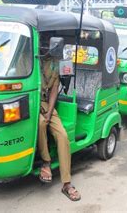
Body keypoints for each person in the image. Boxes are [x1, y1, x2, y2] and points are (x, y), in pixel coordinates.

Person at [37, 32, 81, 201]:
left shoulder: (57, 63)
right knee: (40, 124)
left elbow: (55, 89)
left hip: (48, 104)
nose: (46, 47)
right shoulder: (31, 59)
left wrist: (49, 112)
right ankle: (46, 162)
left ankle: (66, 183)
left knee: (62, 136)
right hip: (33, 103)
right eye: (43, 43)